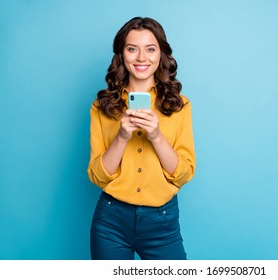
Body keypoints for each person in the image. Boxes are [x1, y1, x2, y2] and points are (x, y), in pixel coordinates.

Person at [87, 17, 196, 260]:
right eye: (132, 49)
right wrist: (122, 136)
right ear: (121, 54)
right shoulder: (102, 106)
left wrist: (156, 136)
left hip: (162, 222)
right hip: (111, 221)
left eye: (150, 49)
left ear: (161, 54)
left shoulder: (180, 105)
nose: (141, 58)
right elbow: (97, 175)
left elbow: (184, 173)